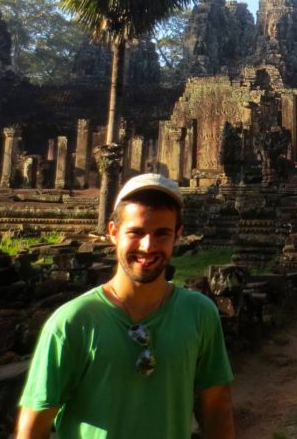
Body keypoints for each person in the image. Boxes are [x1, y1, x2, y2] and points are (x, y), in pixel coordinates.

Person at [17, 173, 235, 438]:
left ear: (178, 235)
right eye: (136, 232)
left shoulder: (200, 313)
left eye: (162, 233)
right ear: (113, 232)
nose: (148, 246)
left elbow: (216, 406)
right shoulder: (72, 322)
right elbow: (32, 428)